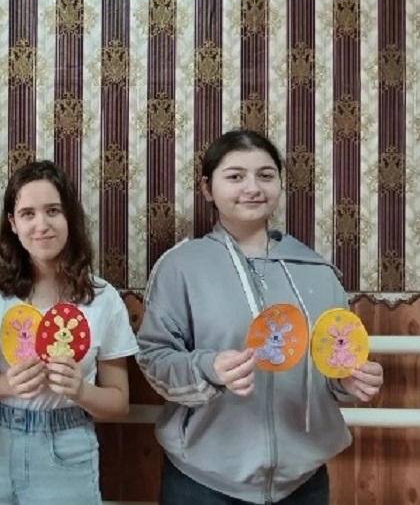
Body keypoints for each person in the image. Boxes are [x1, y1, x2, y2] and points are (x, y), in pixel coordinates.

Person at [136, 129, 385, 505]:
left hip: (303, 483)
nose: (252, 187)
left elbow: (331, 363)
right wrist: (209, 368)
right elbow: (154, 359)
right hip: (202, 482)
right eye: (235, 176)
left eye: (265, 175)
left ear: (280, 184)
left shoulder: (317, 271)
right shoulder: (181, 267)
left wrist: (346, 380)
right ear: (207, 188)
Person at [0, 160, 139, 505]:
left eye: (53, 211)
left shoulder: (102, 299)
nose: (41, 225)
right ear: (13, 223)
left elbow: (119, 403)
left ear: (69, 216)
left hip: (67, 446)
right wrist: (7, 383)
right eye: (27, 214)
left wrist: (80, 390)